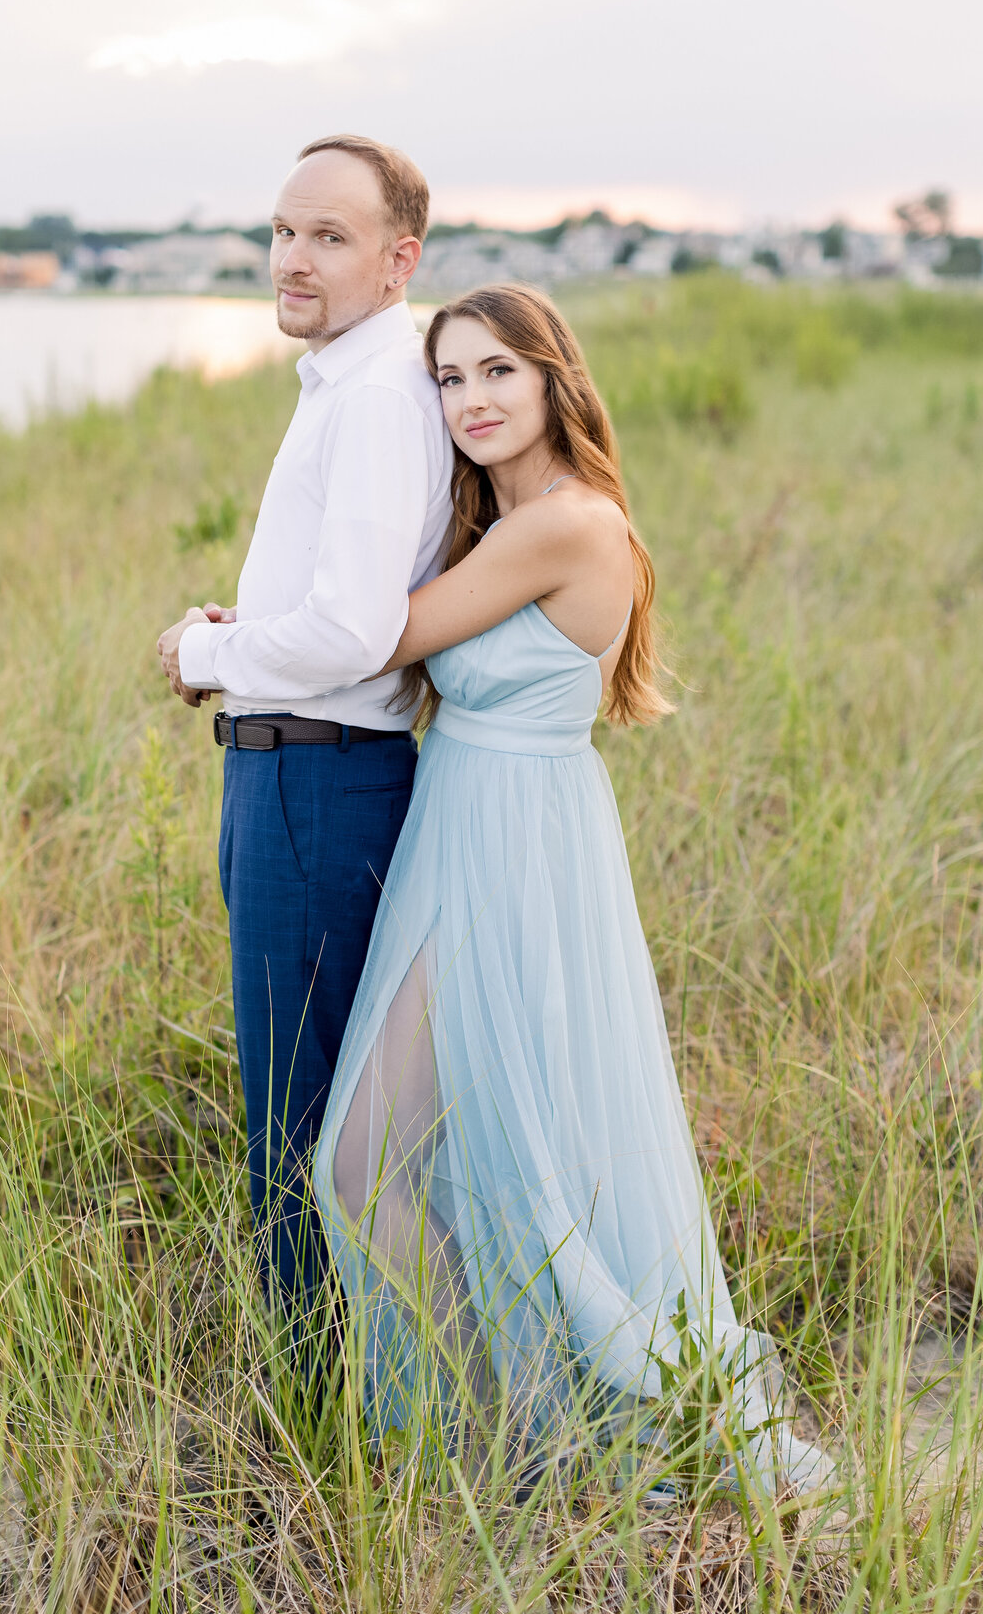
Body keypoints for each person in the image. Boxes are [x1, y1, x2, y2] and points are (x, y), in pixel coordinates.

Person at [311, 283, 835, 1497]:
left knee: (369, 1163)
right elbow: (382, 624)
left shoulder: (563, 523)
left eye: (498, 371)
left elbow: (374, 637)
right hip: (476, 830)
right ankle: (514, 1438)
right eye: (447, 379)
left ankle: (511, 1445)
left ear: (555, 379)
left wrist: (232, 643)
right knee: (464, 1152)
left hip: (514, 849)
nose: (471, 400)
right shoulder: (500, 522)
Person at [157, 136, 452, 1365]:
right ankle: (354, 1386)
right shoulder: (350, 376)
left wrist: (207, 657)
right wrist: (246, 634)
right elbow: (337, 607)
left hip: (317, 780)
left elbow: (352, 628)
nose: (292, 259)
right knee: (311, 1103)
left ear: (398, 260)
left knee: (299, 1121)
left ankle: (324, 1408)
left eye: (328, 238)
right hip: (298, 768)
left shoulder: (381, 393)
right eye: (283, 232)